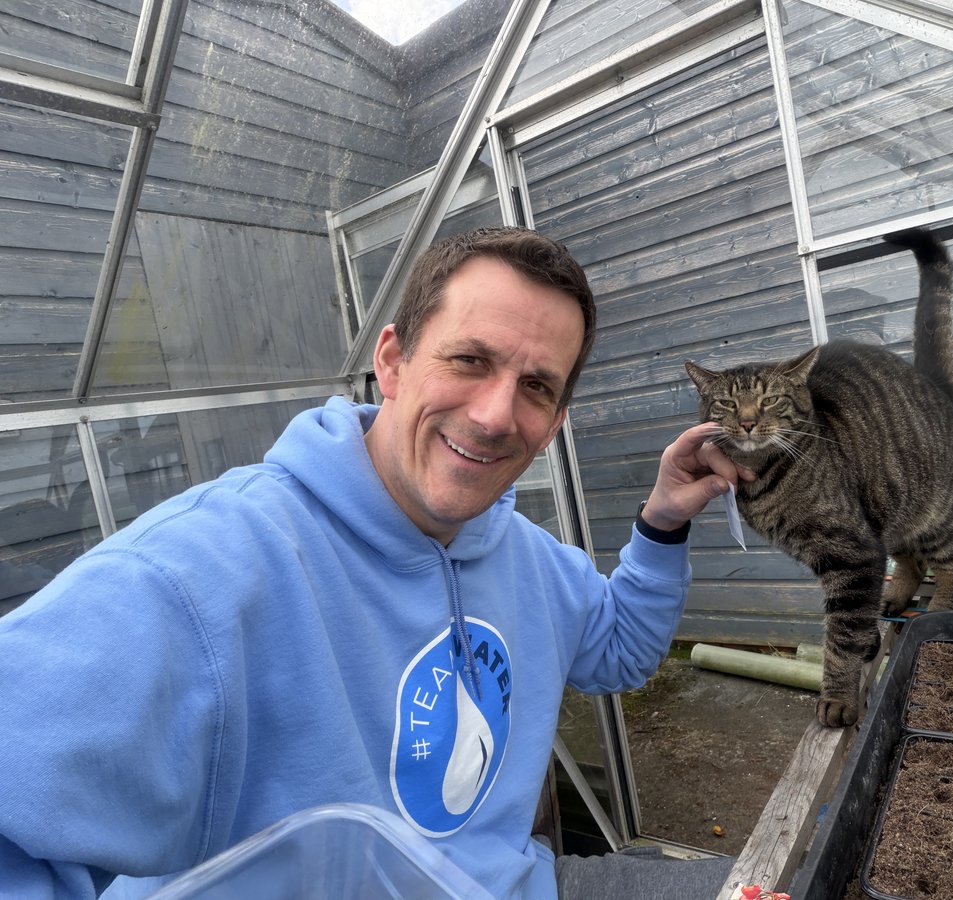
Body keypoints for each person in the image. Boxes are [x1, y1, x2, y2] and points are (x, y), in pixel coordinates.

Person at [0, 226, 754, 899]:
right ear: (391, 362)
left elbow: (620, 650)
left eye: (534, 387)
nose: (495, 415)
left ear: (555, 424)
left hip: (524, 883)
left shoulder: (527, 558)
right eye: (469, 359)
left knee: (784, 875)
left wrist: (660, 524)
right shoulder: (205, 572)